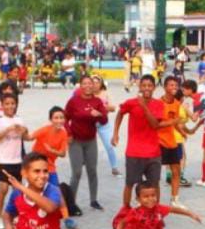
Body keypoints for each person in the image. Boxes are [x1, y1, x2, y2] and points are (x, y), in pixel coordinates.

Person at [113, 75, 165, 209]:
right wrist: (115, 133)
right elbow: (120, 113)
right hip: (134, 152)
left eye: (150, 85)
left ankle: (155, 211)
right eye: (144, 85)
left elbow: (155, 125)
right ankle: (125, 210)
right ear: (139, 86)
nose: (147, 88)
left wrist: (144, 106)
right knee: (130, 183)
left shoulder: (158, 104)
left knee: (154, 184)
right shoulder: (131, 102)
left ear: (154, 87)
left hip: (153, 152)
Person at [64, 75, 109, 211]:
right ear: (80, 86)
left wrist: (99, 115)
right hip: (76, 141)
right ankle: (71, 202)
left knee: (92, 171)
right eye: (85, 83)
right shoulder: (73, 101)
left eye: (90, 83)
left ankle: (93, 200)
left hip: (90, 141)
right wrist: (69, 134)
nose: (88, 86)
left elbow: (104, 121)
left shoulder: (98, 102)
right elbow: (64, 119)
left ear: (94, 85)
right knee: (76, 172)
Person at [0, 94, 28, 229]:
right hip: (3, 161)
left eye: (13, 103)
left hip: (17, 160)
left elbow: (27, 136)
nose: (10, 106)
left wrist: (23, 130)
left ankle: (15, 215)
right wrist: (8, 129)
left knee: (17, 191)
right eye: (7, 103)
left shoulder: (19, 119)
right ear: (2, 105)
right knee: (3, 189)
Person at [157, 76, 188, 208]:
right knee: (155, 175)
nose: (174, 88)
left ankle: (174, 200)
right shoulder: (158, 103)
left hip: (172, 142)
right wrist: (173, 122)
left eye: (176, 85)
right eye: (171, 85)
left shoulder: (176, 104)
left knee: (177, 170)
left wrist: (180, 131)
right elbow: (156, 124)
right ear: (165, 87)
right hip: (158, 142)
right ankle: (155, 202)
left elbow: (174, 121)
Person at [93, 76, 120, 177]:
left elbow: (113, 108)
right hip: (90, 125)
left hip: (103, 124)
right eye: (93, 82)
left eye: (97, 82)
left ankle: (114, 167)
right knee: (88, 147)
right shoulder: (87, 94)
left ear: (101, 84)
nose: (95, 84)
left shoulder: (105, 94)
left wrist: (102, 107)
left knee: (109, 146)